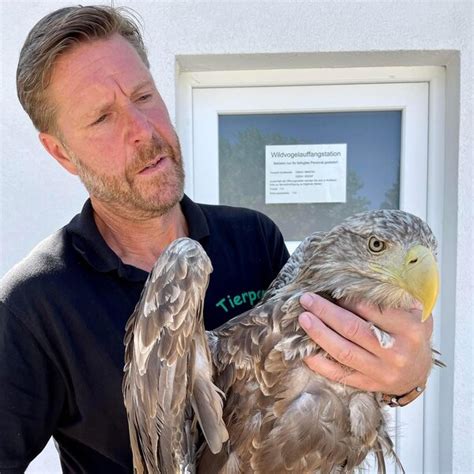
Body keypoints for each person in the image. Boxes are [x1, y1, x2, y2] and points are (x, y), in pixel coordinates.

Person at [0, 5, 434, 473]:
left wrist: (404, 377)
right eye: (103, 117)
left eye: (144, 96)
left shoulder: (253, 236)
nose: (142, 131)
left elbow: (328, 384)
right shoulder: (32, 304)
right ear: (61, 151)